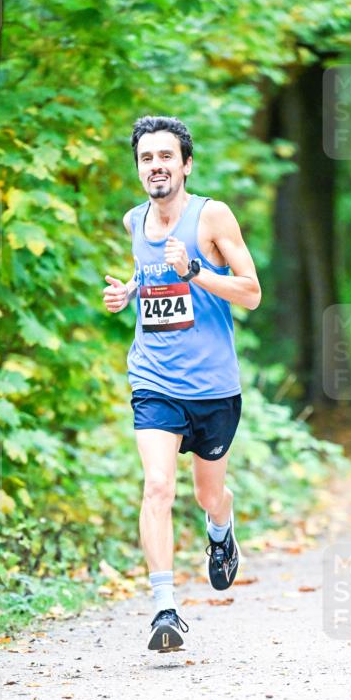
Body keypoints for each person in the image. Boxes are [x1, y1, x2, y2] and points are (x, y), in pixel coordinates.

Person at [103, 115, 261, 652]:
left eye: (166, 156)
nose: (156, 166)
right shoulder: (133, 221)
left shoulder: (211, 216)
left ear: (186, 164)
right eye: (147, 158)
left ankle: (222, 530)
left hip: (213, 386)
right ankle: (164, 609)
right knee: (157, 485)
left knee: (207, 494)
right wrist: (128, 291)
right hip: (154, 378)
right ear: (139, 167)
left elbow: (251, 291)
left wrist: (195, 270)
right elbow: (152, 277)